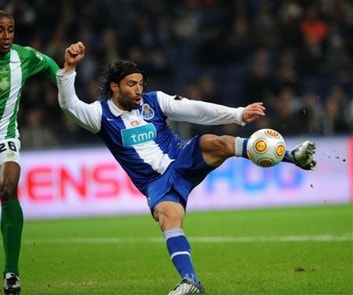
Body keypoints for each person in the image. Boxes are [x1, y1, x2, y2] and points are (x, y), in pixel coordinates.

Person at [57, 42, 316, 295]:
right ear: (115, 87)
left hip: (182, 158)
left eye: (140, 83)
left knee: (218, 142)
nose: (138, 90)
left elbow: (194, 109)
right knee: (168, 218)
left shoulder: (154, 101)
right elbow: (70, 106)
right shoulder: (99, 115)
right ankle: (190, 280)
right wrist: (69, 69)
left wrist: (237, 115)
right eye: (131, 84)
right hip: (156, 183)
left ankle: (294, 157)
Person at [0, 10, 59, 295]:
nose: (6, 36)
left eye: (10, 30)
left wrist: (67, 94)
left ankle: (11, 273)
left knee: (8, 188)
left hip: (3, 138)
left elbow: (49, 65)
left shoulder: (24, 57)